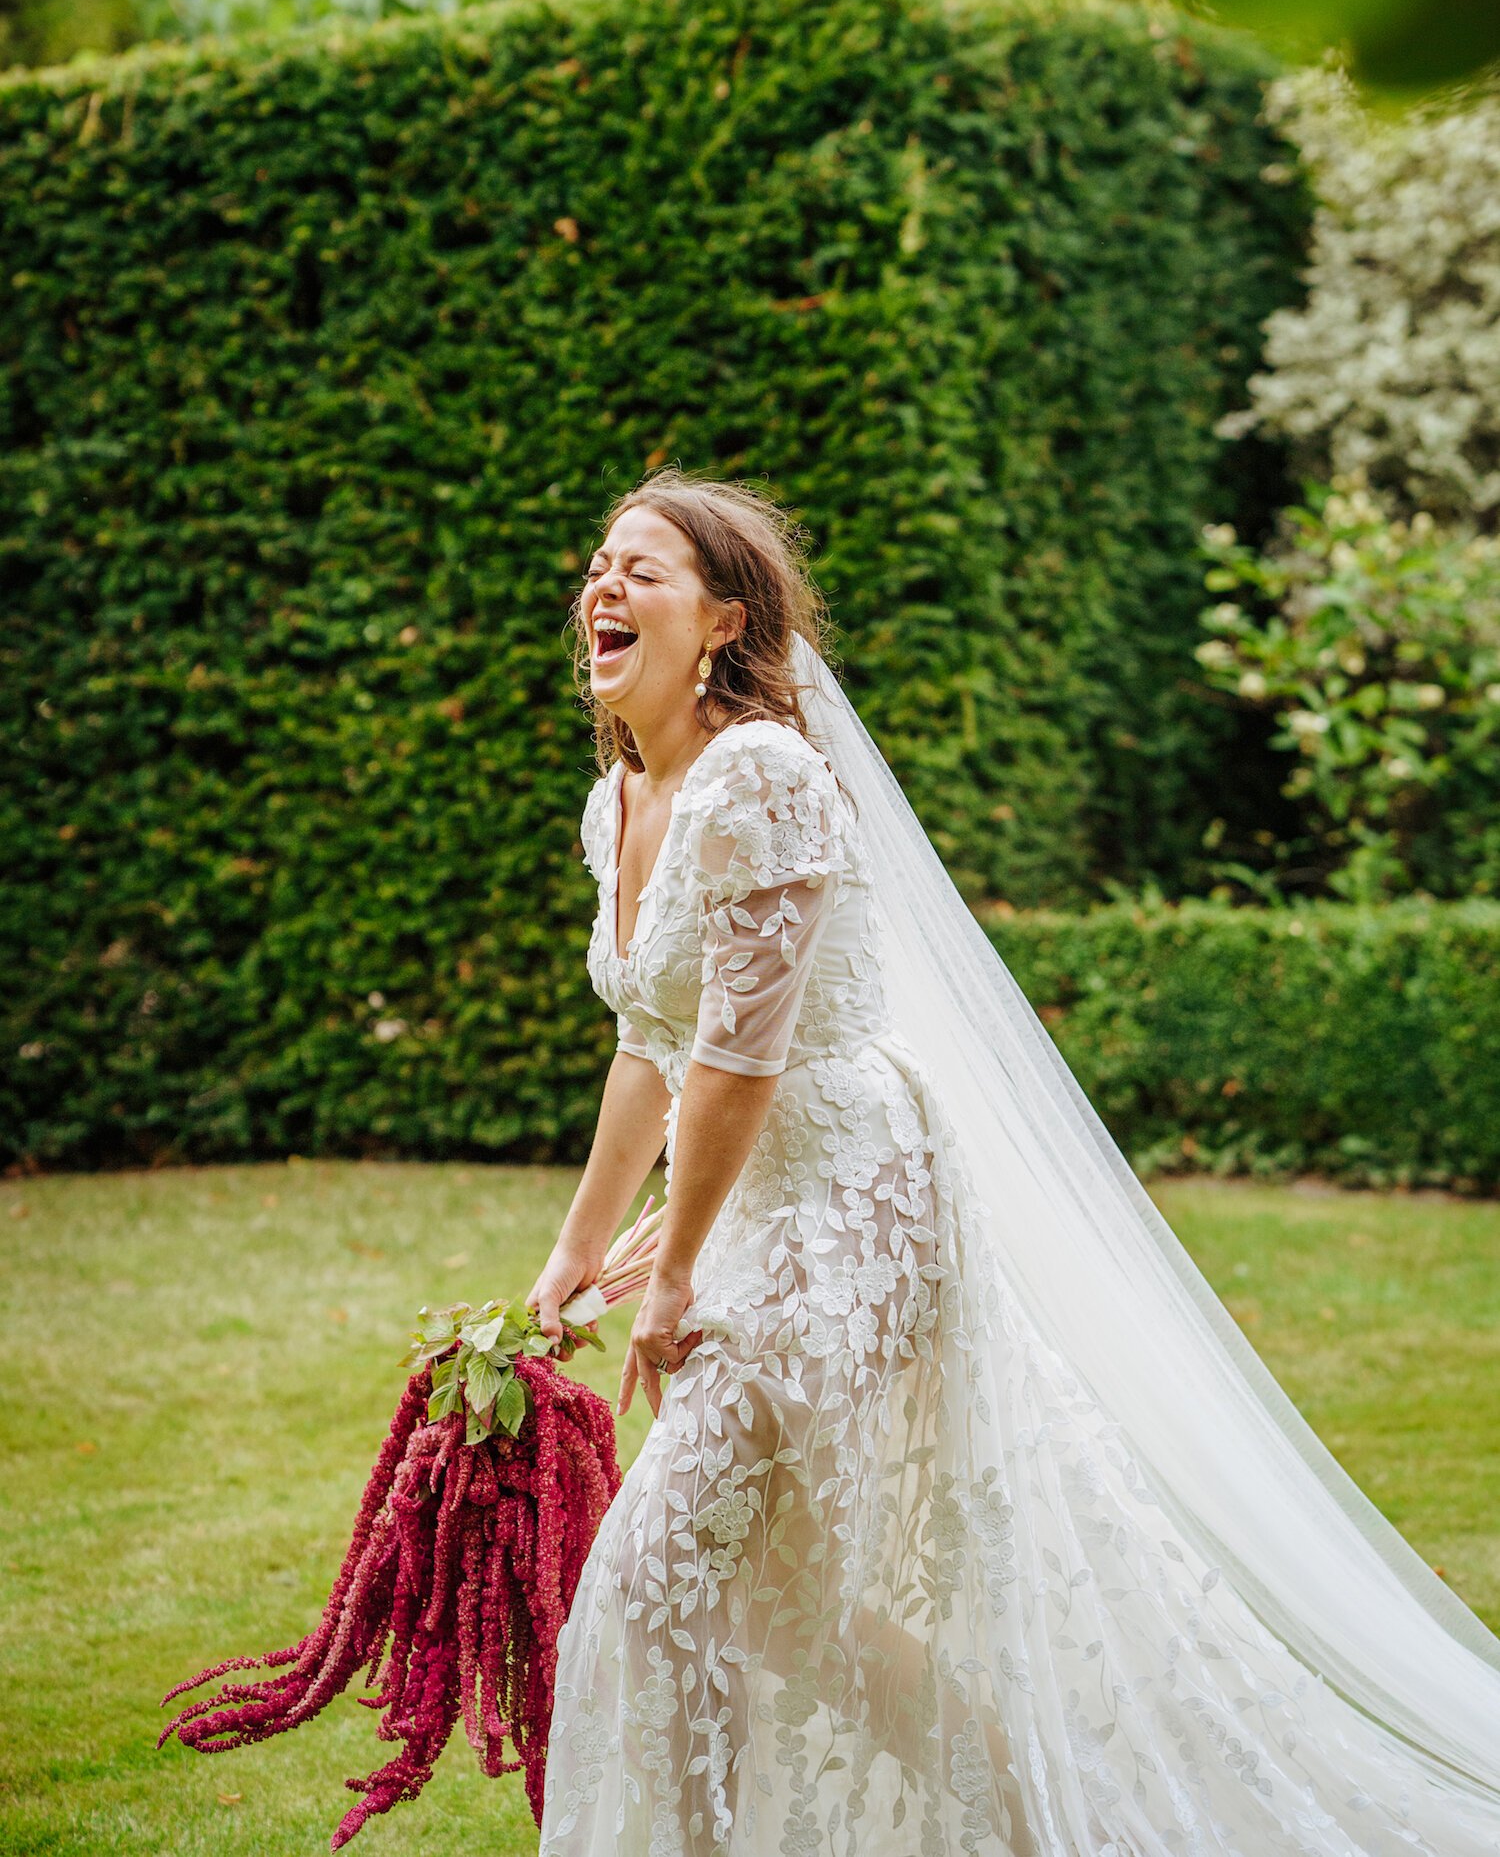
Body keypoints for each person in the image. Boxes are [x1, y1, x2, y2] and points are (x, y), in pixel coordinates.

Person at [529, 468, 1500, 1857]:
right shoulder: (617, 800)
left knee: (657, 1565)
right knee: (779, 1591)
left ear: (725, 620)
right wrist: (575, 1253)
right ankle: (1046, 1813)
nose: (604, 587)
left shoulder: (762, 776)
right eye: (600, 565)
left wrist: (670, 1272)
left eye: (646, 569)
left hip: (857, 1203)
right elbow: (649, 1046)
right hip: (756, 1200)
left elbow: (739, 1060)